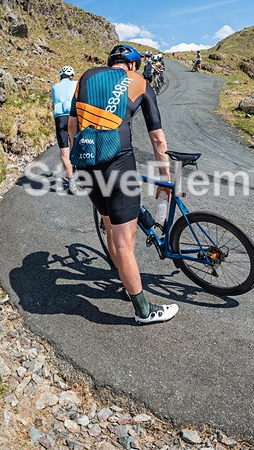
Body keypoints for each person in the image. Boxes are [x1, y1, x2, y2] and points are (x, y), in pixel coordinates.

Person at [68, 44, 178, 325]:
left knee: (109, 225)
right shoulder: (140, 83)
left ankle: (125, 281)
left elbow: (71, 127)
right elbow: (158, 139)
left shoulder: (86, 77)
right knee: (125, 241)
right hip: (118, 165)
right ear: (132, 65)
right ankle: (143, 310)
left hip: (87, 164)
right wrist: (164, 178)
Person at [51, 66, 79, 194]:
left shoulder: (54, 87)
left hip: (59, 118)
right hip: (72, 116)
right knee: (75, 144)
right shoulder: (75, 83)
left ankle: (71, 181)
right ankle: (77, 167)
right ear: (71, 76)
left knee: (64, 153)